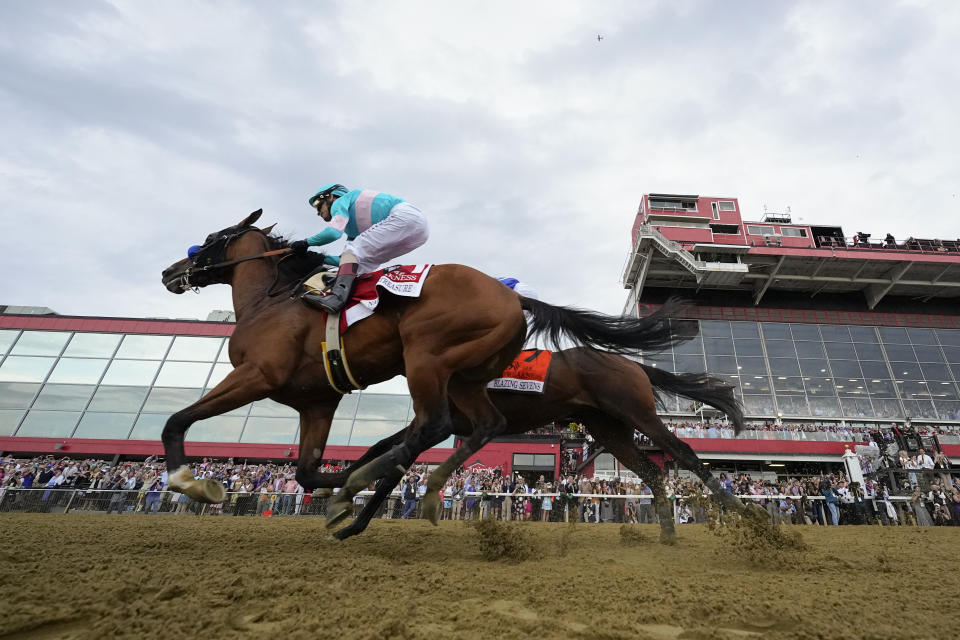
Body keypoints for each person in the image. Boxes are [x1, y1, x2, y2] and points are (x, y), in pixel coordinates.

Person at [291, 183, 429, 313]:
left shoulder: (341, 200)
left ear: (331, 196)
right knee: (361, 264)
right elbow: (347, 260)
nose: (318, 212)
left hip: (404, 216)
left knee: (353, 250)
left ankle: (336, 298)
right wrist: (320, 258)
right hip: (419, 234)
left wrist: (306, 242)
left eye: (318, 205)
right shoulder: (352, 229)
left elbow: (333, 233)